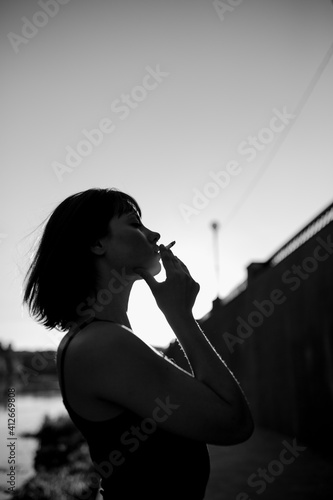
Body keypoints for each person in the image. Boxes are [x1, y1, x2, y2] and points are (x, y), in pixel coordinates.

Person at [23, 187, 254, 499]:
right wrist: (180, 317)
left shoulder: (96, 337)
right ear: (96, 242)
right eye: (135, 224)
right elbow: (235, 423)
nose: (154, 234)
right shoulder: (105, 344)